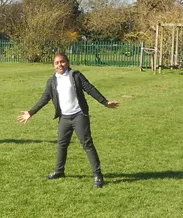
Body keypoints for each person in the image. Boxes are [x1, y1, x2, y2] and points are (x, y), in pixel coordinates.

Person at [18, 53, 119, 188]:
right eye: (57, 63)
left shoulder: (75, 75)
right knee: (61, 144)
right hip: (64, 118)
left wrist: (105, 102)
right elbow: (44, 98)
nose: (60, 65)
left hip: (79, 115)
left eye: (62, 62)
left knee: (87, 144)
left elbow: (89, 88)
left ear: (68, 62)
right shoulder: (52, 81)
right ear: (54, 65)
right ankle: (59, 171)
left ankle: (98, 175)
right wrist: (31, 112)